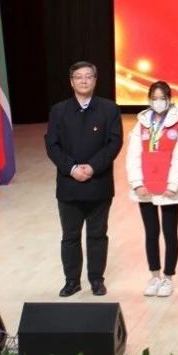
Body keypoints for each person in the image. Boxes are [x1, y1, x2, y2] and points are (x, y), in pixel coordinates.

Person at [44, 61, 123, 297]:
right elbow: (52, 145)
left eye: (88, 76)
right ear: (71, 82)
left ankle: (97, 280)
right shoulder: (59, 110)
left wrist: (92, 167)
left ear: (95, 80)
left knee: (97, 235)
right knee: (70, 236)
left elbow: (114, 142)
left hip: (99, 183)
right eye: (78, 77)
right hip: (69, 184)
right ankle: (72, 281)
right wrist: (72, 168)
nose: (84, 81)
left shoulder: (109, 109)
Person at [123, 81, 178, 298]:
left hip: (169, 189)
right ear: (149, 100)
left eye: (162, 98)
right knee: (151, 233)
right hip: (145, 188)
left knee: (170, 233)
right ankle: (154, 276)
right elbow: (133, 155)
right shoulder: (142, 123)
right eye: (154, 98)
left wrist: (173, 185)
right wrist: (137, 183)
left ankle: (168, 278)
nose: (158, 102)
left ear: (169, 99)